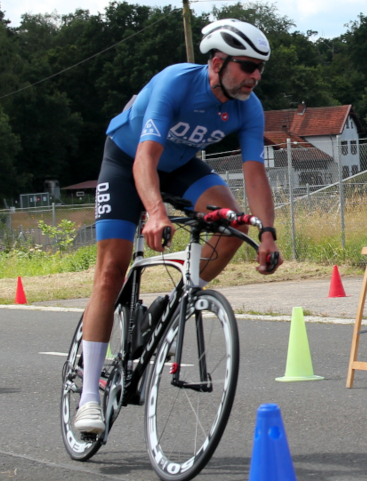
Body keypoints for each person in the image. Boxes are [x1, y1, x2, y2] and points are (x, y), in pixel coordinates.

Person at [73, 19, 284, 433]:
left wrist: (267, 232)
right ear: (218, 63)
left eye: (260, 68)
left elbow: (255, 173)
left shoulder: (249, 107)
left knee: (233, 227)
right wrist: (155, 212)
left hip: (181, 165)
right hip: (128, 160)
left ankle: (171, 305)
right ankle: (88, 396)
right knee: (111, 271)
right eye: (247, 66)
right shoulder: (176, 82)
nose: (255, 76)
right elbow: (145, 159)